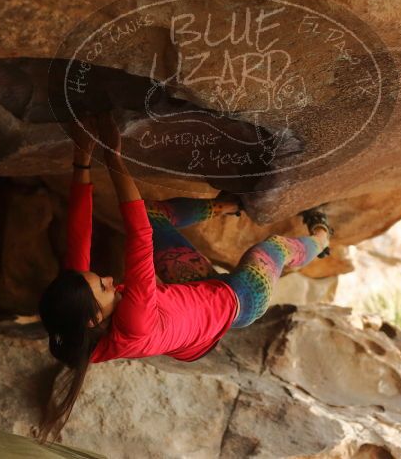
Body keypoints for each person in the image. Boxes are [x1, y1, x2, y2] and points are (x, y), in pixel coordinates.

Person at [38, 112, 334, 441]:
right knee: (272, 250)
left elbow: (78, 235)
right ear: (94, 318)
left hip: (193, 294)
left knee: (152, 213)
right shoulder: (134, 323)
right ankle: (322, 236)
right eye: (103, 288)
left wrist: (82, 157)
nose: (108, 279)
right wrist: (113, 157)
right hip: (237, 303)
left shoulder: (81, 316)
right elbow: (139, 236)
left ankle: (228, 205)